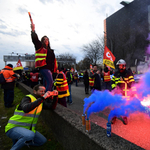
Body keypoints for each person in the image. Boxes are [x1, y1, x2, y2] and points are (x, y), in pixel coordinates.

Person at [5, 84, 58, 150]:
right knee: (29, 135)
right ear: (35, 91)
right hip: (13, 128)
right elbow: (26, 108)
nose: (43, 93)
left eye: (44, 91)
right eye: (41, 91)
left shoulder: (40, 102)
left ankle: (21, 142)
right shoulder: (27, 98)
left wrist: (55, 97)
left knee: (42, 141)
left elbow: (52, 107)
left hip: (27, 129)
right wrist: (43, 97)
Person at [30, 22, 57, 92]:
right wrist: (33, 31)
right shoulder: (40, 47)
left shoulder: (51, 51)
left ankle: (43, 96)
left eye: (47, 39)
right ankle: (46, 97)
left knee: (46, 83)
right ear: (42, 41)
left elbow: (53, 61)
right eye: (44, 39)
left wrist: (56, 70)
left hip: (50, 70)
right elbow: (35, 40)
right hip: (44, 68)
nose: (46, 40)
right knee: (50, 82)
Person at [111, 59, 136, 125]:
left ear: (124, 66)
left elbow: (132, 83)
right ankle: (114, 117)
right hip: (117, 93)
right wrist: (114, 88)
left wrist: (133, 92)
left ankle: (125, 118)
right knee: (115, 106)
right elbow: (112, 81)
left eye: (120, 66)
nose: (119, 67)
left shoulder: (128, 73)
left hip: (126, 94)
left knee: (125, 107)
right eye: (119, 66)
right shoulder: (116, 73)